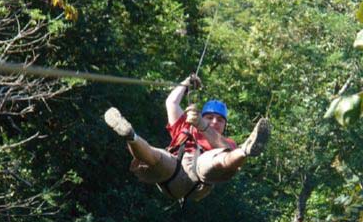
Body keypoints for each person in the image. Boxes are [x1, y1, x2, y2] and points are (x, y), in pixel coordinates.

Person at [104, 75, 270, 203]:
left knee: (217, 159)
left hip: (200, 179)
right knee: (156, 155)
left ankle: (246, 150)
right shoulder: (185, 126)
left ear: (225, 125)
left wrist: (201, 124)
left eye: (220, 120)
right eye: (210, 117)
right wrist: (186, 83)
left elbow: (224, 154)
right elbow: (171, 103)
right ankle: (130, 135)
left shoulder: (225, 143)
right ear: (203, 116)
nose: (214, 122)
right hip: (172, 171)